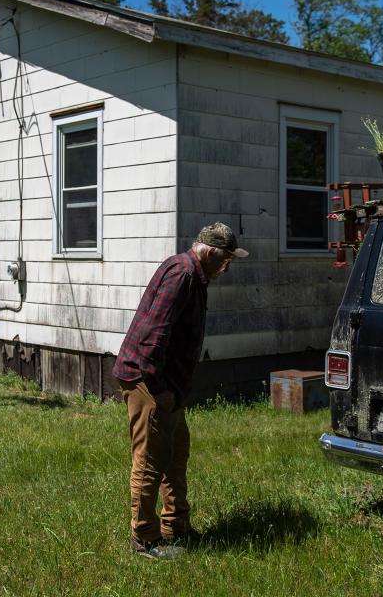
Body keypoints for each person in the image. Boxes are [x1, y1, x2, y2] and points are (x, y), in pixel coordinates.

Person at [113, 222, 248, 559]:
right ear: (209, 251)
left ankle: (176, 527)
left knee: (176, 452)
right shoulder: (183, 275)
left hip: (166, 384)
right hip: (149, 381)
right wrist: (159, 390)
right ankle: (144, 539)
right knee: (150, 460)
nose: (227, 266)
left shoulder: (193, 274)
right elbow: (152, 336)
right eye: (226, 258)